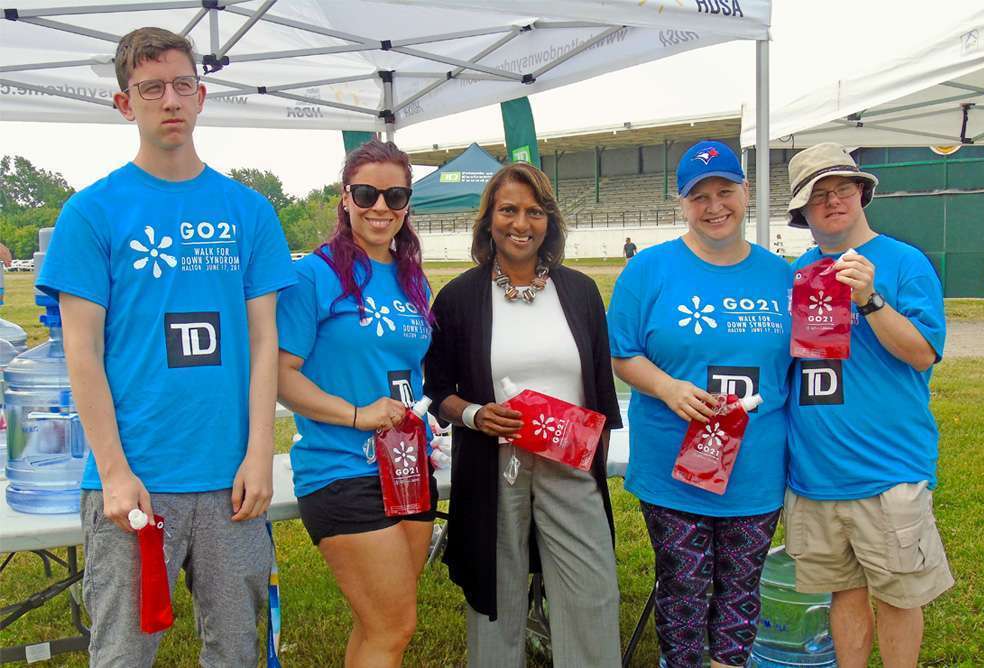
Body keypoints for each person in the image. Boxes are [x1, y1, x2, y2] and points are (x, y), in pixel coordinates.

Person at [36, 27, 296, 666]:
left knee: (234, 650)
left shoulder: (249, 212)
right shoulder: (92, 213)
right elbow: (82, 354)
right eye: (151, 89)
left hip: (230, 480)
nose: (170, 100)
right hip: (134, 483)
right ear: (126, 104)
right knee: (124, 651)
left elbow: (266, 343)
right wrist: (117, 474)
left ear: (202, 96)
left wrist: (260, 453)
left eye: (183, 85)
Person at [424, 162, 623, 668]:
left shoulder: (579, 293)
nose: (521, 223)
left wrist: (590, 448)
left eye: (534, 211)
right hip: (495, 467)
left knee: (592, 590)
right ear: (488, 219)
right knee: (497, 595)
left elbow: (599, 385)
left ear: (549, 222)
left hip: (569, 463)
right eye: (508, 209)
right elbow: (438, 388)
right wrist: (473, 415)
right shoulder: (459, 297)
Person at [607, 140, 793, 668]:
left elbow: (803, 364)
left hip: (755, 468)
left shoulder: (782, 276)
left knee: (740, 593)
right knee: (683, 592)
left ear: (746, 192)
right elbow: (621, 354)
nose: (715, 206)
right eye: (699, 196)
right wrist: (669, 388)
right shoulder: (648, 270)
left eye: (725, 191)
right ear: (681, 203)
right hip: (673, 465)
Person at [782, 142, 953, 668]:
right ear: (803, 212)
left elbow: (923, 354)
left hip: (888, 472)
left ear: (862, 193)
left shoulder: (904, 262)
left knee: (900, 598)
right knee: (843, 594)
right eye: (819, 196)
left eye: (843, 189)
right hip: (815, 474)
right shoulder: (795, 272)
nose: (833, 202)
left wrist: (870, 300)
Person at [276, 140, 437, 668]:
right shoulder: (313, 276)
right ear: (345, 197)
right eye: (367, 193)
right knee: (394, 624)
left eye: (396, 195)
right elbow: (279, 376)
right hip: (341, 467)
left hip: (408, 466)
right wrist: (356, 414)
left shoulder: (413, 277)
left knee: (381, 626)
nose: (381, 207)